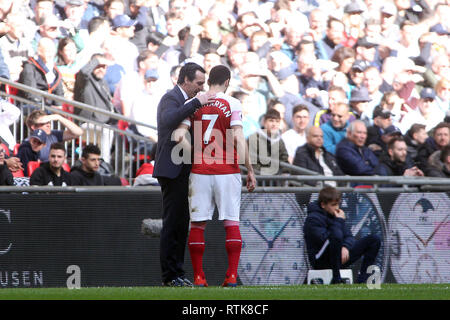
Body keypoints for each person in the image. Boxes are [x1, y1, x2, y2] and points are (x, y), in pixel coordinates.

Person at [174, 65, 256, 287]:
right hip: (227, 171)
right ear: (227, 82)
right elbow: (239, 137)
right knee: (231, 222)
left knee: (198, 225)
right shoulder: (232, 103)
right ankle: (230, 277)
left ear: (209, 80)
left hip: (200, 171)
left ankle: (199, 277)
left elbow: (179, 135)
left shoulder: (195, 103)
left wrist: (197, 154)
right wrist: (249, 168)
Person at [152, 62, 215, 287]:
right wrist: (197, 102)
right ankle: (170, 276)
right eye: (198, 83)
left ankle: (177, 273)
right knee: (173, 224)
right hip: (172, 170)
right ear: (185, 80)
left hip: (182, 170)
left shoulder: (183, 101)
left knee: (181, 224)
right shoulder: (171, 98)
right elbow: (169, 120)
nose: (200, 88)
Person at [304, 186, 381, 284]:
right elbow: (325, 240)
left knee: (374, 240)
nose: (337, 208)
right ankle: (336, 279)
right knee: (336, 238)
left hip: (339, 256)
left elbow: (349, 236)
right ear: (323, 204)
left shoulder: (335, 215)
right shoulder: (313, 219)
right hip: (321, 260)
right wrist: (339, 221)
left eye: (338, 204)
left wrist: (345, 247)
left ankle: (362, 281)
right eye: (333, 205)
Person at [73, 53, 115, 164]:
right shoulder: (84, 80)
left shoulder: (103, 83)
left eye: (104, 67)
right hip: (86, 123)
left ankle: (117, 172)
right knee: (107, 131)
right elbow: (83, 72)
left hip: (103, 123)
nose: (101, 69)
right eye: (98, 66)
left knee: (121, 135)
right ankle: (104, 164)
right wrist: (97, 60)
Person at [247, 108, 289, 176]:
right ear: (264, 122)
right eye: (271, 121)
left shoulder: (280, 141)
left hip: (276, 181)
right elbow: (253, 164)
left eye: (277, 121)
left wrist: (285, 173)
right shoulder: (254, 139)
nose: (274, 124)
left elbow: (284, 160)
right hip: (259, 180)